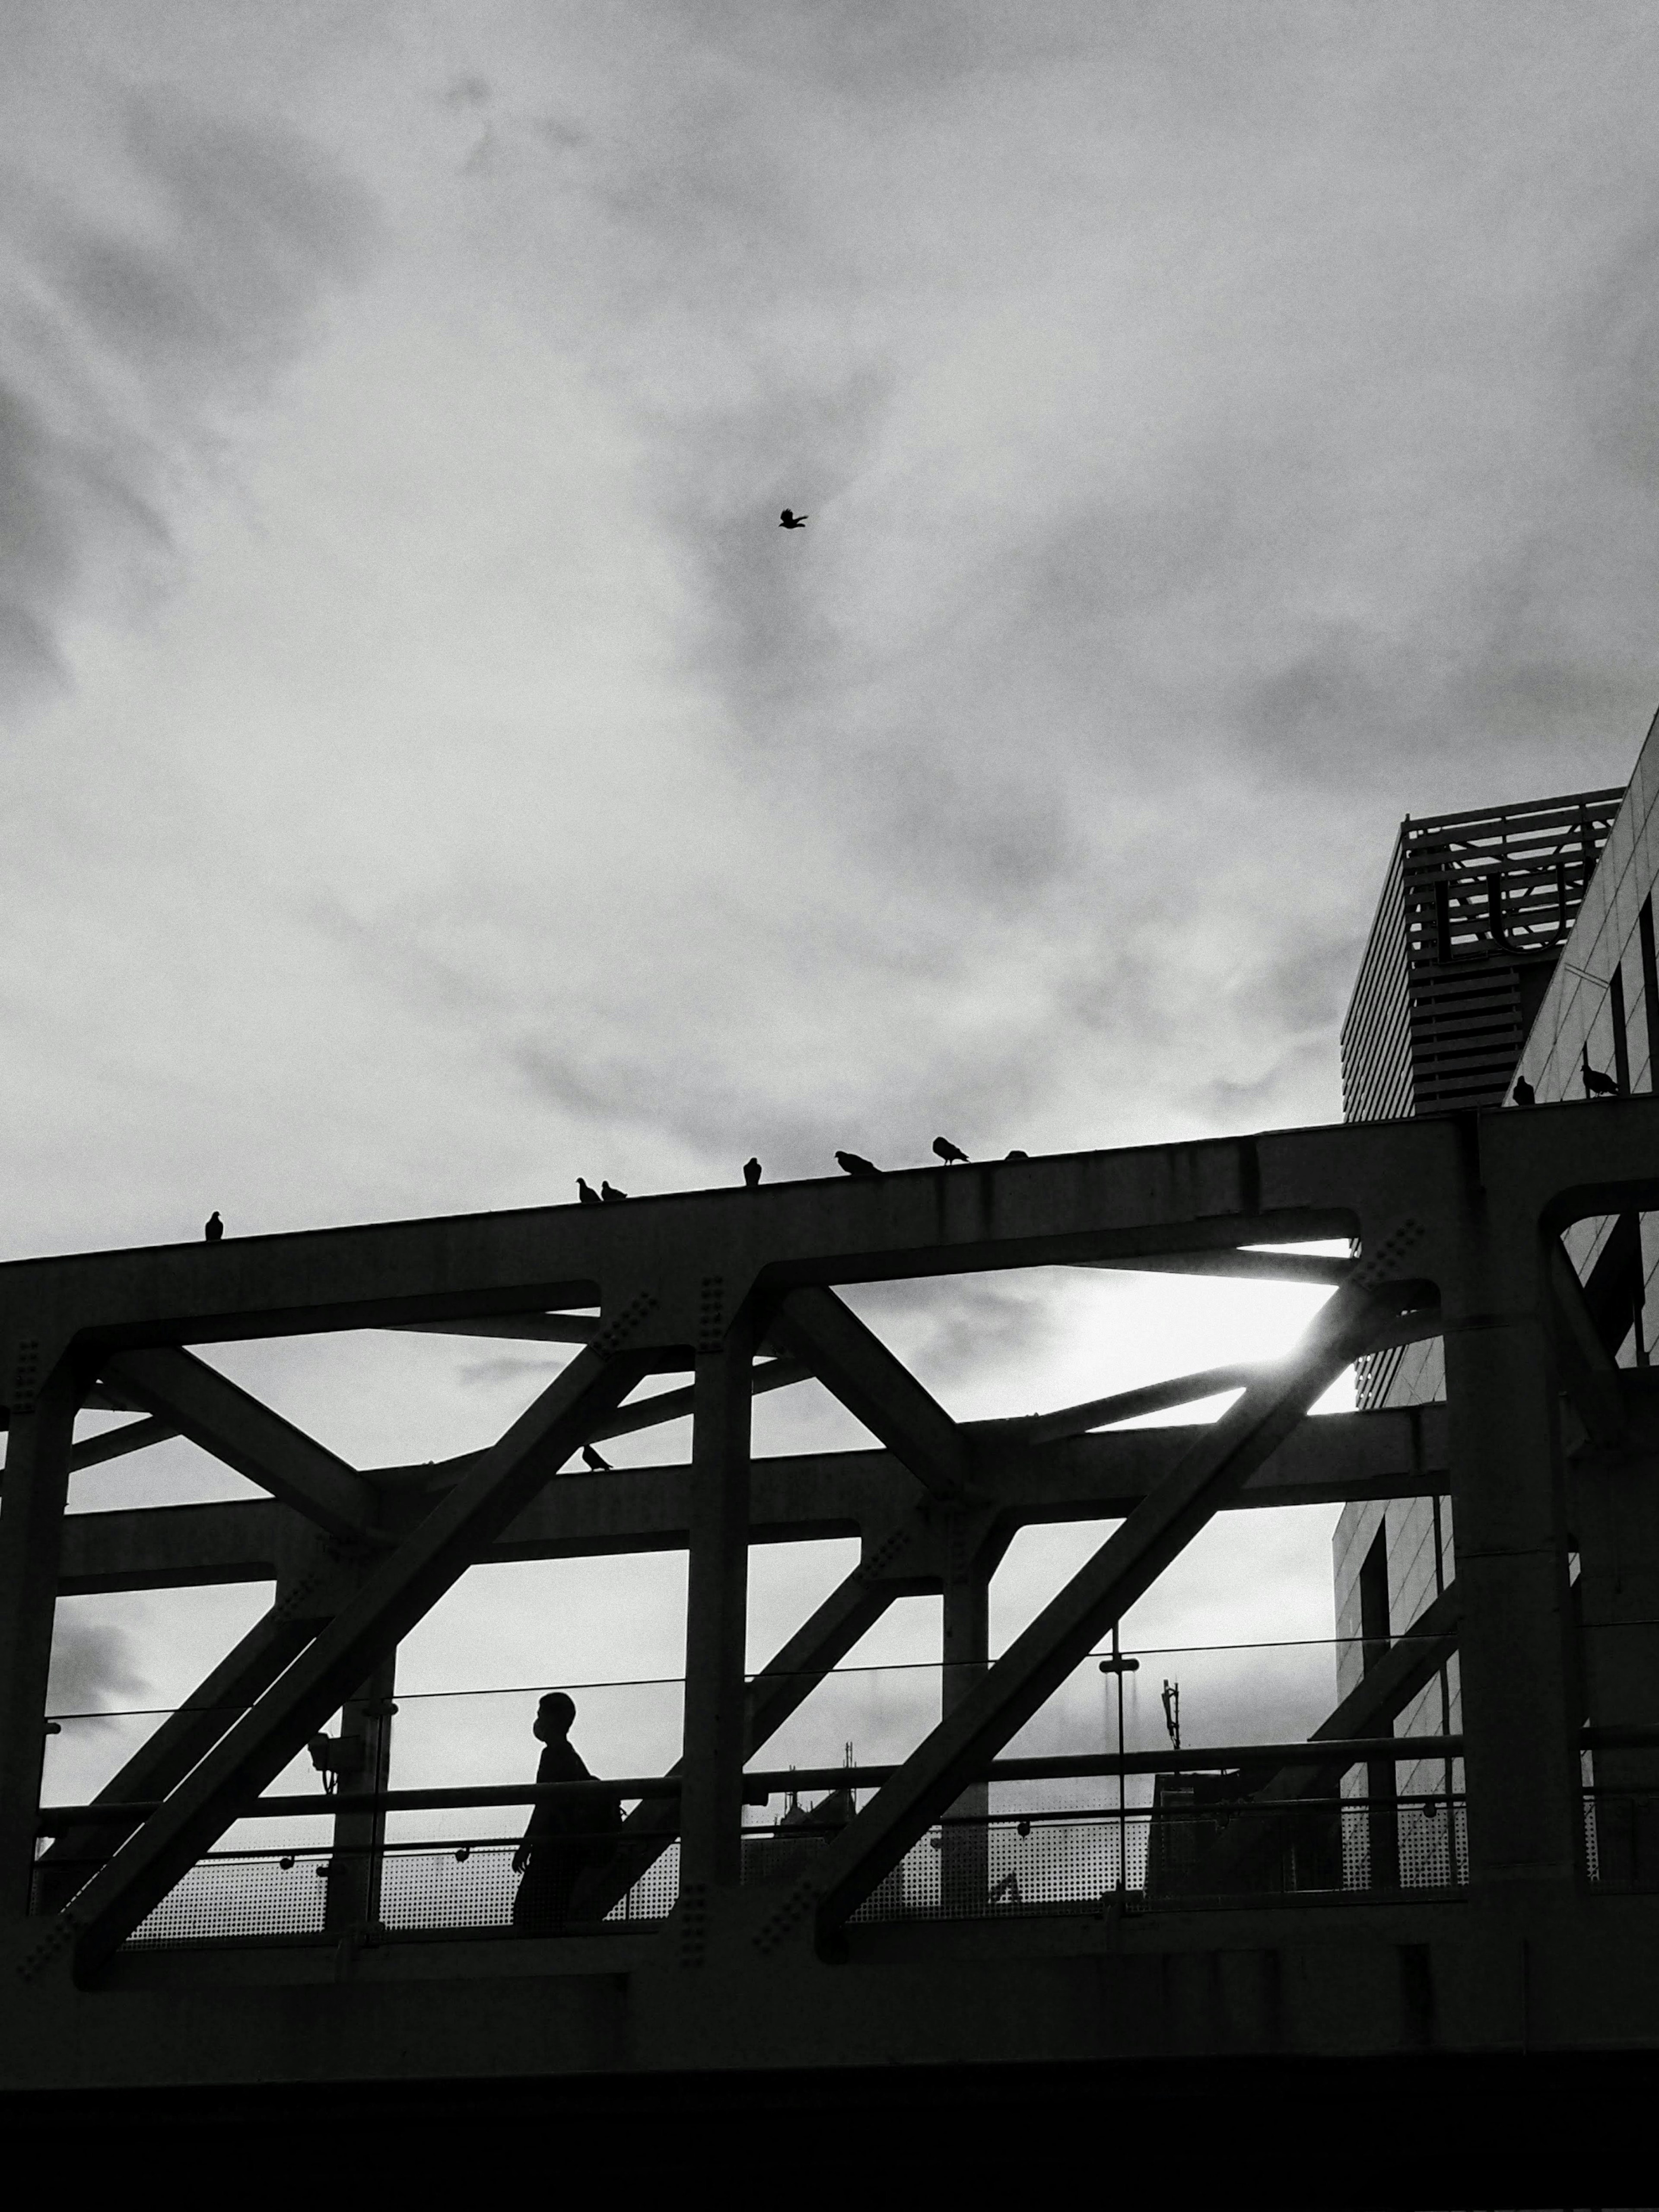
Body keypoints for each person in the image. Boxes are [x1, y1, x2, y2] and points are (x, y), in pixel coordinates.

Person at [510, 1692, 620, 1934]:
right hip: (570, 1851)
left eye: (541, 1715)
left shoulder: (553, 1757)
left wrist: (525, 1846)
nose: (537, 1722)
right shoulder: (572, 1758)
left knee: (528, 1914)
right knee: (552, 1911)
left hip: (554, 1849)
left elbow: (545, 1806)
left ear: (553, 1719)